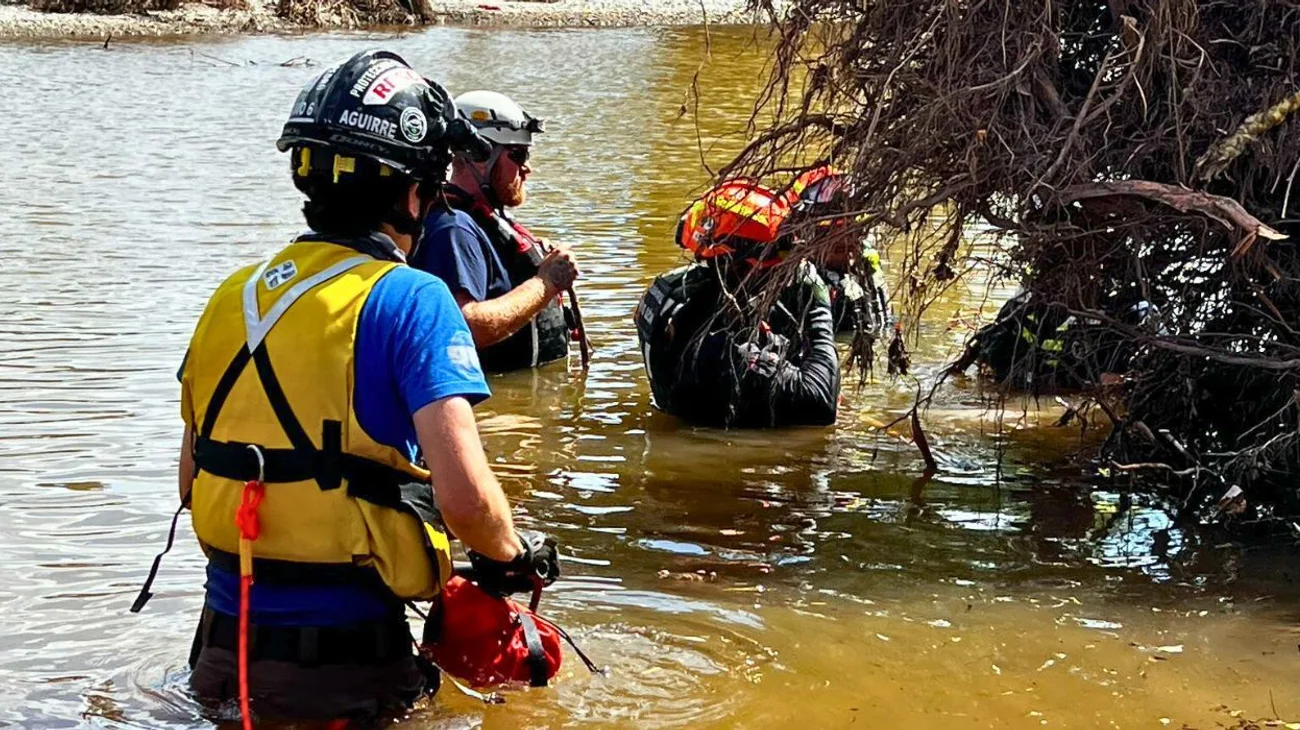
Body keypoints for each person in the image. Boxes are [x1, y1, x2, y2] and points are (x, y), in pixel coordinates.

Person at [153, 51, 560, 725]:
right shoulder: (413, 299)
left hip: (221, 654)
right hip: (348, 670)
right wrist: (515, 557)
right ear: (414, 191)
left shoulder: (232, 294)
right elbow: (465, 502)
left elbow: (192, 478)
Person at [635, 179, 841, 428]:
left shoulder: (669, 291)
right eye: (776, 257)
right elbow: (820, 403)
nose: (782, 268)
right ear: (739, 265)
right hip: (718, 444)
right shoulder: (723, 348)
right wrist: (818, 309)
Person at [410, 89, 580, 372]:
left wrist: (533, 261)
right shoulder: (453, 229)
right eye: (517, 154)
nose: (527, 168)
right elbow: (464, 327)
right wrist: (545, 283)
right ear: (478, 157)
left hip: (528, 398)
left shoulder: (480, 222)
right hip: (493, 407)